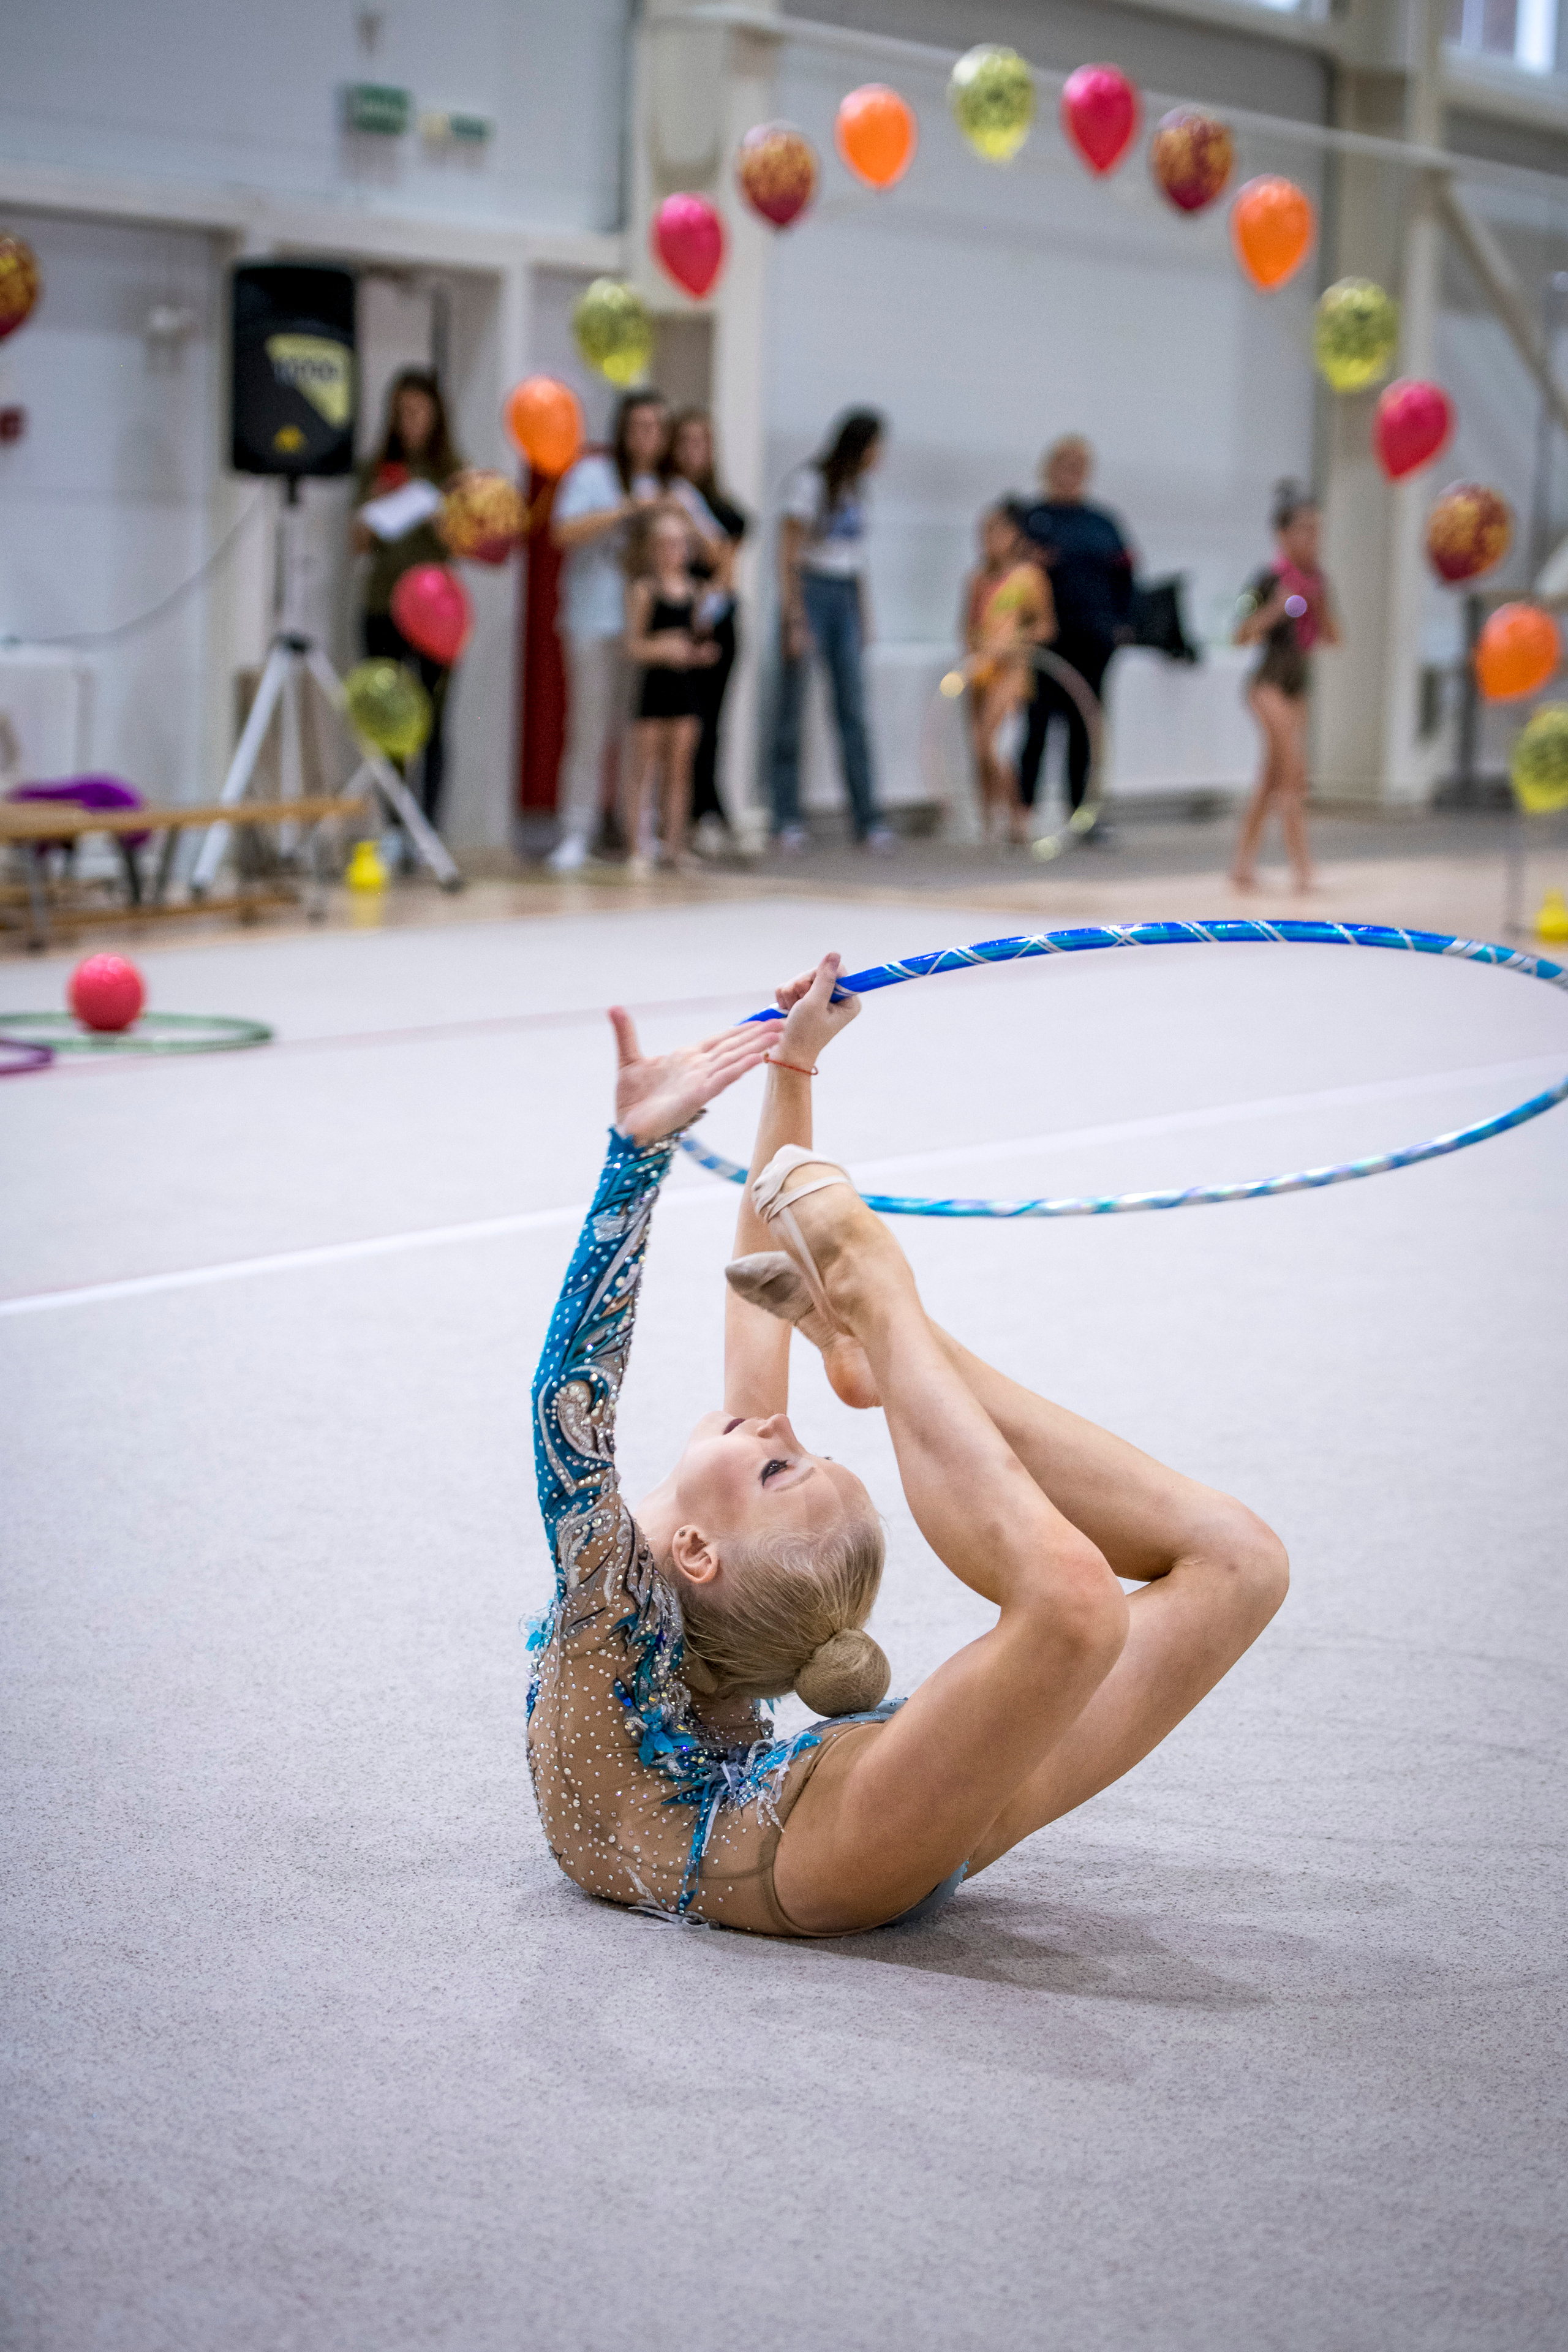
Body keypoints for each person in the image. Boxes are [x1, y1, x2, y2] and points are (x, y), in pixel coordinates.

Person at [527, 951, 1290, 1937]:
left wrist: (768, 1084)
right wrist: (699, 1119)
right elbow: (638, 1358)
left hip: (849, 1817)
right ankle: (886, 1337)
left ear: (701, 1551)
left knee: (1185, 1579)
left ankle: (882, 1329)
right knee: (1225, 1567)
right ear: (698, 1555)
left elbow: (691, 1327)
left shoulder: (643, 1584)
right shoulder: (644, 1594)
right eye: (787, 1455)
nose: (778, 1419)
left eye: (781, 1458)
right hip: (845, 1826)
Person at [548, 391, 702, 873]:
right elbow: (562, 532)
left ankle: (637, 832)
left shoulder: (668, 485)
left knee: (642, 737)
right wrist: (625, 510)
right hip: (595, 620)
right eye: (639, 426)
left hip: (651, 631)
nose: (647, 436)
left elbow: (709, 547)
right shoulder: (593, 475)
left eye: (657, 427)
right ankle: (576, 832)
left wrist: (681, 517)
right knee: (589, 731)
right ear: (622, 429)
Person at [767, 410, 897, 854]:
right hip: (811, 591)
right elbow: (787, 552)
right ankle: (784, 817)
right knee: (791, 713)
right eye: (877, 446)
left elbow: (854, 559)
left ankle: (868, 818)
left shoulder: (858, 492)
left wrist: (864, 616)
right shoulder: (809, 483)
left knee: (854, 713)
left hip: (844, 597)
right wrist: (795, 616)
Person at [353, 369, 465, 828]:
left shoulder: (453, 473)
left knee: (435, 723)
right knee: (389, 719)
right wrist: (378, 505)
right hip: (384, 604)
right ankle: (395, 826)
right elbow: (356, 542)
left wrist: (444, 516)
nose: (412, 420)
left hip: (439, 612)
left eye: (420, 410)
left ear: (436, 415)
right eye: (404, 412)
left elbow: (469, 545)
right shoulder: (377, 467)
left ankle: (428, 829)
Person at [1018, 436, 1135, 837]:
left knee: (1085, 730)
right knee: (1036, 726)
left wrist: (1121, 626)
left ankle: (1082, 815)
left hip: (1093, 639)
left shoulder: (1103, 524)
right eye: (1064, 464)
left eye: (1079, 465)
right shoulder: (1031, 520)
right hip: (1044, 642)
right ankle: (1024, 813)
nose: (1071, 473)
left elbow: (1127, 577)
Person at [1230, 482, 1340, 894]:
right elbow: (1240, 634)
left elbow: (1332, 637)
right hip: (1268, 685)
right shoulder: (1268, 580)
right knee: (1293, 773)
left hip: (1297, 687)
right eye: (1304, 529)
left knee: (1272, 778)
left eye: (1317, 529)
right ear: (1283, 535)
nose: (1312, 538)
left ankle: (1242, 864)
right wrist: (1276, 609)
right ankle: (1303, 868)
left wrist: (1319, 605)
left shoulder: (1317, 583)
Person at [664, 409, 748, 850]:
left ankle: (708, 809)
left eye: (703, 442)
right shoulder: (665, 499)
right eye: (687, 441)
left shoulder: (723, 510)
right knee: (678, 722)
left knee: (711, 723)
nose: (695, 451)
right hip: (675, 619)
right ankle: (674, 816)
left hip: (715, 622)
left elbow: (723, 564)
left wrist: (691, 517)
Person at [622, 508, 720, 876]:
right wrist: (661, 647)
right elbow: (633, 645)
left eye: (679, 543)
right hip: (654, 686)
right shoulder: (645, 590)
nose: (672, 551)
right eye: (664, 544)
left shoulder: (696, 592)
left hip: (685, 686)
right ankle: (638, 846)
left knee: (680, 770)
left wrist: (697, 653)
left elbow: (700, 638)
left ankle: (675, 846)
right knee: (644, 768)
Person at [961, 499, 1055, 845]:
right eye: (985, 531)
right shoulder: (977, 579)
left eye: (998, 531)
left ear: (1015, 535)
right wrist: (974, 654)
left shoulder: (1029, 578)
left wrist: (1014, 640)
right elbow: (968, 626)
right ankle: (988, 818)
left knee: (991, 744)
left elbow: (1045, 627)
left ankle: (1017, 814)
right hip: (980, 670)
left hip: (1012, 672)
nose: (989, 539)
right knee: (979, 746)